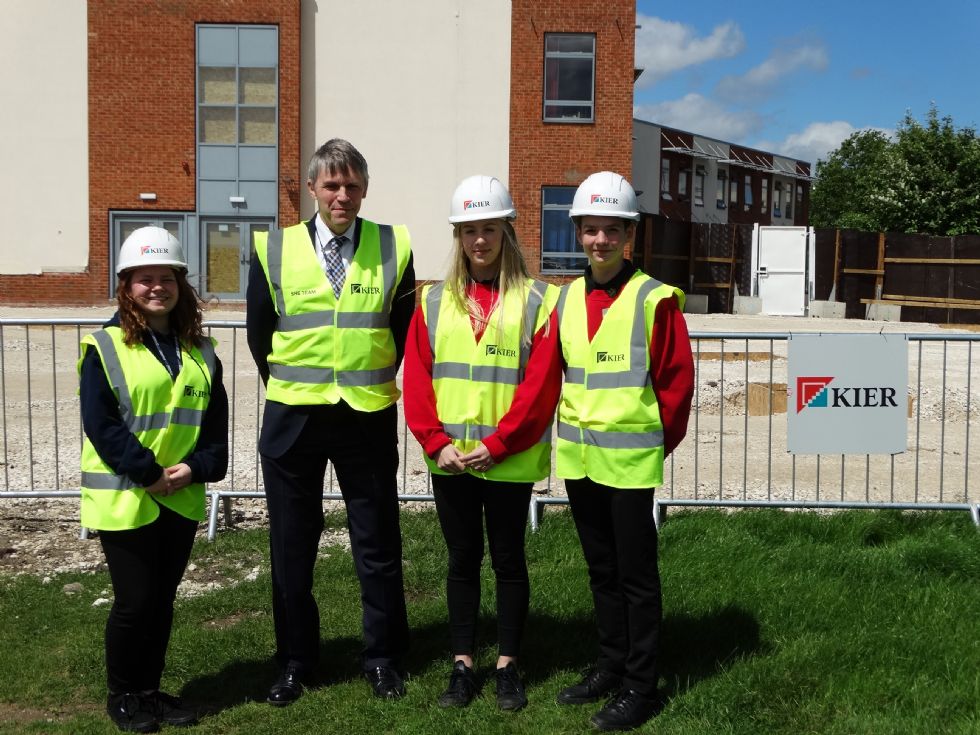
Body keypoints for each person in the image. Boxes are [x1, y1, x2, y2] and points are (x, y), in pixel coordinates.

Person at [246, 138, 415, 705]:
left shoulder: (395, 244)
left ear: (364, 189)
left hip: (365, 417)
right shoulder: (274, 248)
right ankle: (295, 660)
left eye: (352, 185)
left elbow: (402, 327)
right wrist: (296, 386)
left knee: (377, 544)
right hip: (294, 417)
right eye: (332, 185)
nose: (342, 195)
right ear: (313, 189)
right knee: (292, 546)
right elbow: (259, 333)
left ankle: (383, 657)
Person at [404, 176, 561, 711]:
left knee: (510, 561)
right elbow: (418, 380)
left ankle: (508, 667)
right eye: (469, 230)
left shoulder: (539, 299)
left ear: (506, 232)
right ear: (457, 236)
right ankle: (462, 665)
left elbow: (541, 388)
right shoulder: (431, 301)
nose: (479, 240)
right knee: (461, 561)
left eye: (488, 229)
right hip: (450, 460)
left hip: (508, 460)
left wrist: (498, 444)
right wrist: (434, 442)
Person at [553, 172, 694, 732]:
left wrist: (653, 446)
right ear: (579, 234)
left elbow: (676, 388)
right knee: (601, 571)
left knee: (636, 577)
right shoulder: (564, 300)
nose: (600, 241)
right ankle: (610, 666)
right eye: (591, 230)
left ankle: (641, 684)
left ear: (628, 234)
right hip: (581, 462)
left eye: (612, 230)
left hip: (631, 464)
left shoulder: (655, 300)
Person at [79, 226, 228, 733]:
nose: (157, 287)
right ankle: (123, 695)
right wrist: (147, 473)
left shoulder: (202, 352)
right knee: (135, 601)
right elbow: (102, 426)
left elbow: (213, 432)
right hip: (127, 498)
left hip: (179, 497)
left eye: (167, 278)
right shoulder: (104, 346)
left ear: (181, 284)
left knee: (161, 601)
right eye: (145, 279)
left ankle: (148, 690)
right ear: (127, 284)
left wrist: (196, 469)